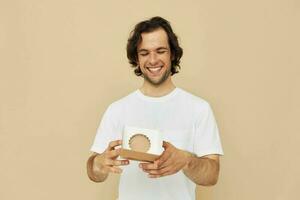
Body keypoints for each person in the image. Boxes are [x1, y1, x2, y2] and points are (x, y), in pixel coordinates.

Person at [86, 16, 224, 200]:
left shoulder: (199, 109)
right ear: (136, 58)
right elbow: (94, 173)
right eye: (144, 53)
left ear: (172, 54)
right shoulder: (117, 109)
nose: (153, 60)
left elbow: (212, 175)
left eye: (160, 51)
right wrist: (99, 164)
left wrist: (186, 161)